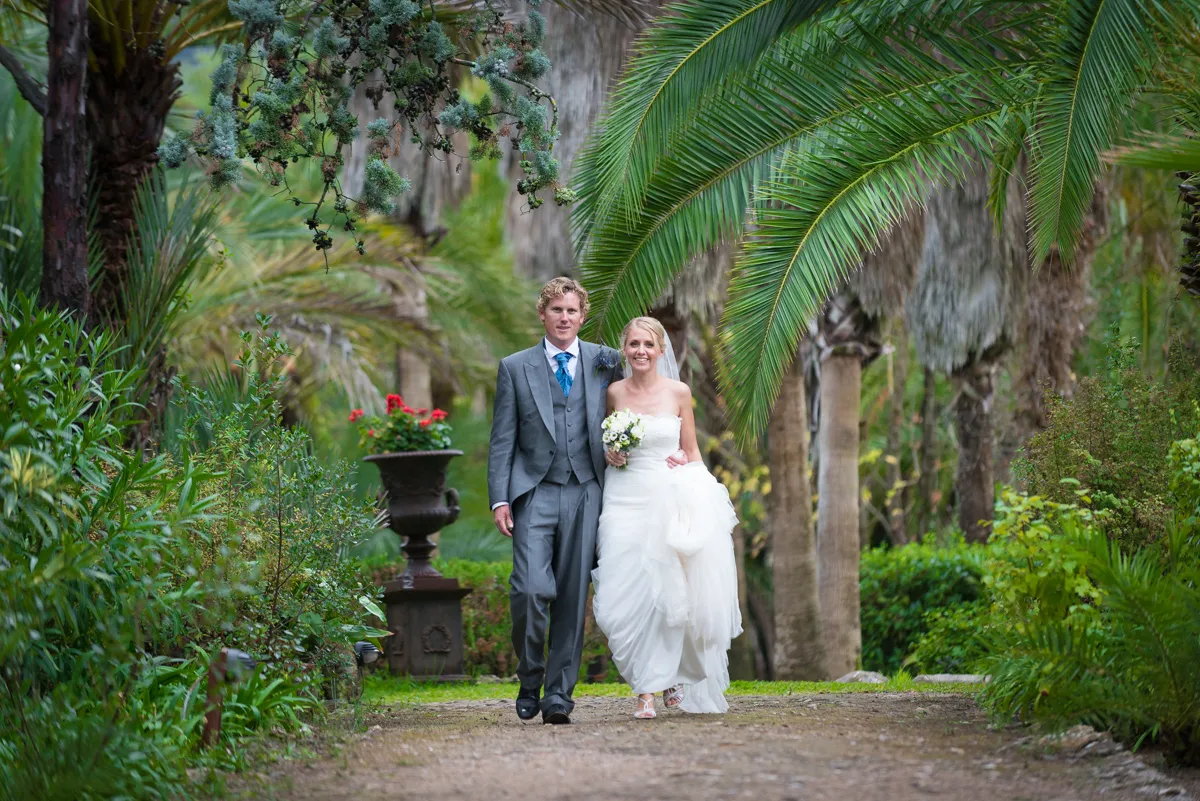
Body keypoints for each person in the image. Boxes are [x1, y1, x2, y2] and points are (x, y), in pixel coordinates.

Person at [487, 279, 685, 724]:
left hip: (588, 491)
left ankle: (558, 695)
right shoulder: (515, 368)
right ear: (542, 314)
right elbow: (502, 440)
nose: (564, 317)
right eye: (556, 309)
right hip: (534, 492)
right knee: (531, 589)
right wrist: (500, 498)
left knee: (574, 597)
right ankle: (530, 674)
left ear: (582, 316)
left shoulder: (605, 361)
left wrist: (668, 444)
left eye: (572, 311)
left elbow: (642, 394)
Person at [591, 316, 743, 719]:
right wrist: (609, 452)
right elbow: (598, 441)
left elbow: (691, 451)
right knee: (617, 598)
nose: (641, 351)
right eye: (634, 344)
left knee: (668, 593)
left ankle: (650, 688)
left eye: (649, 344)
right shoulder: (612, 393)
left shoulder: (679, 392)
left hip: (666, 498)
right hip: (622, 499)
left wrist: (690, 473)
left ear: (661, 350)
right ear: (624, 348)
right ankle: (657, 676)